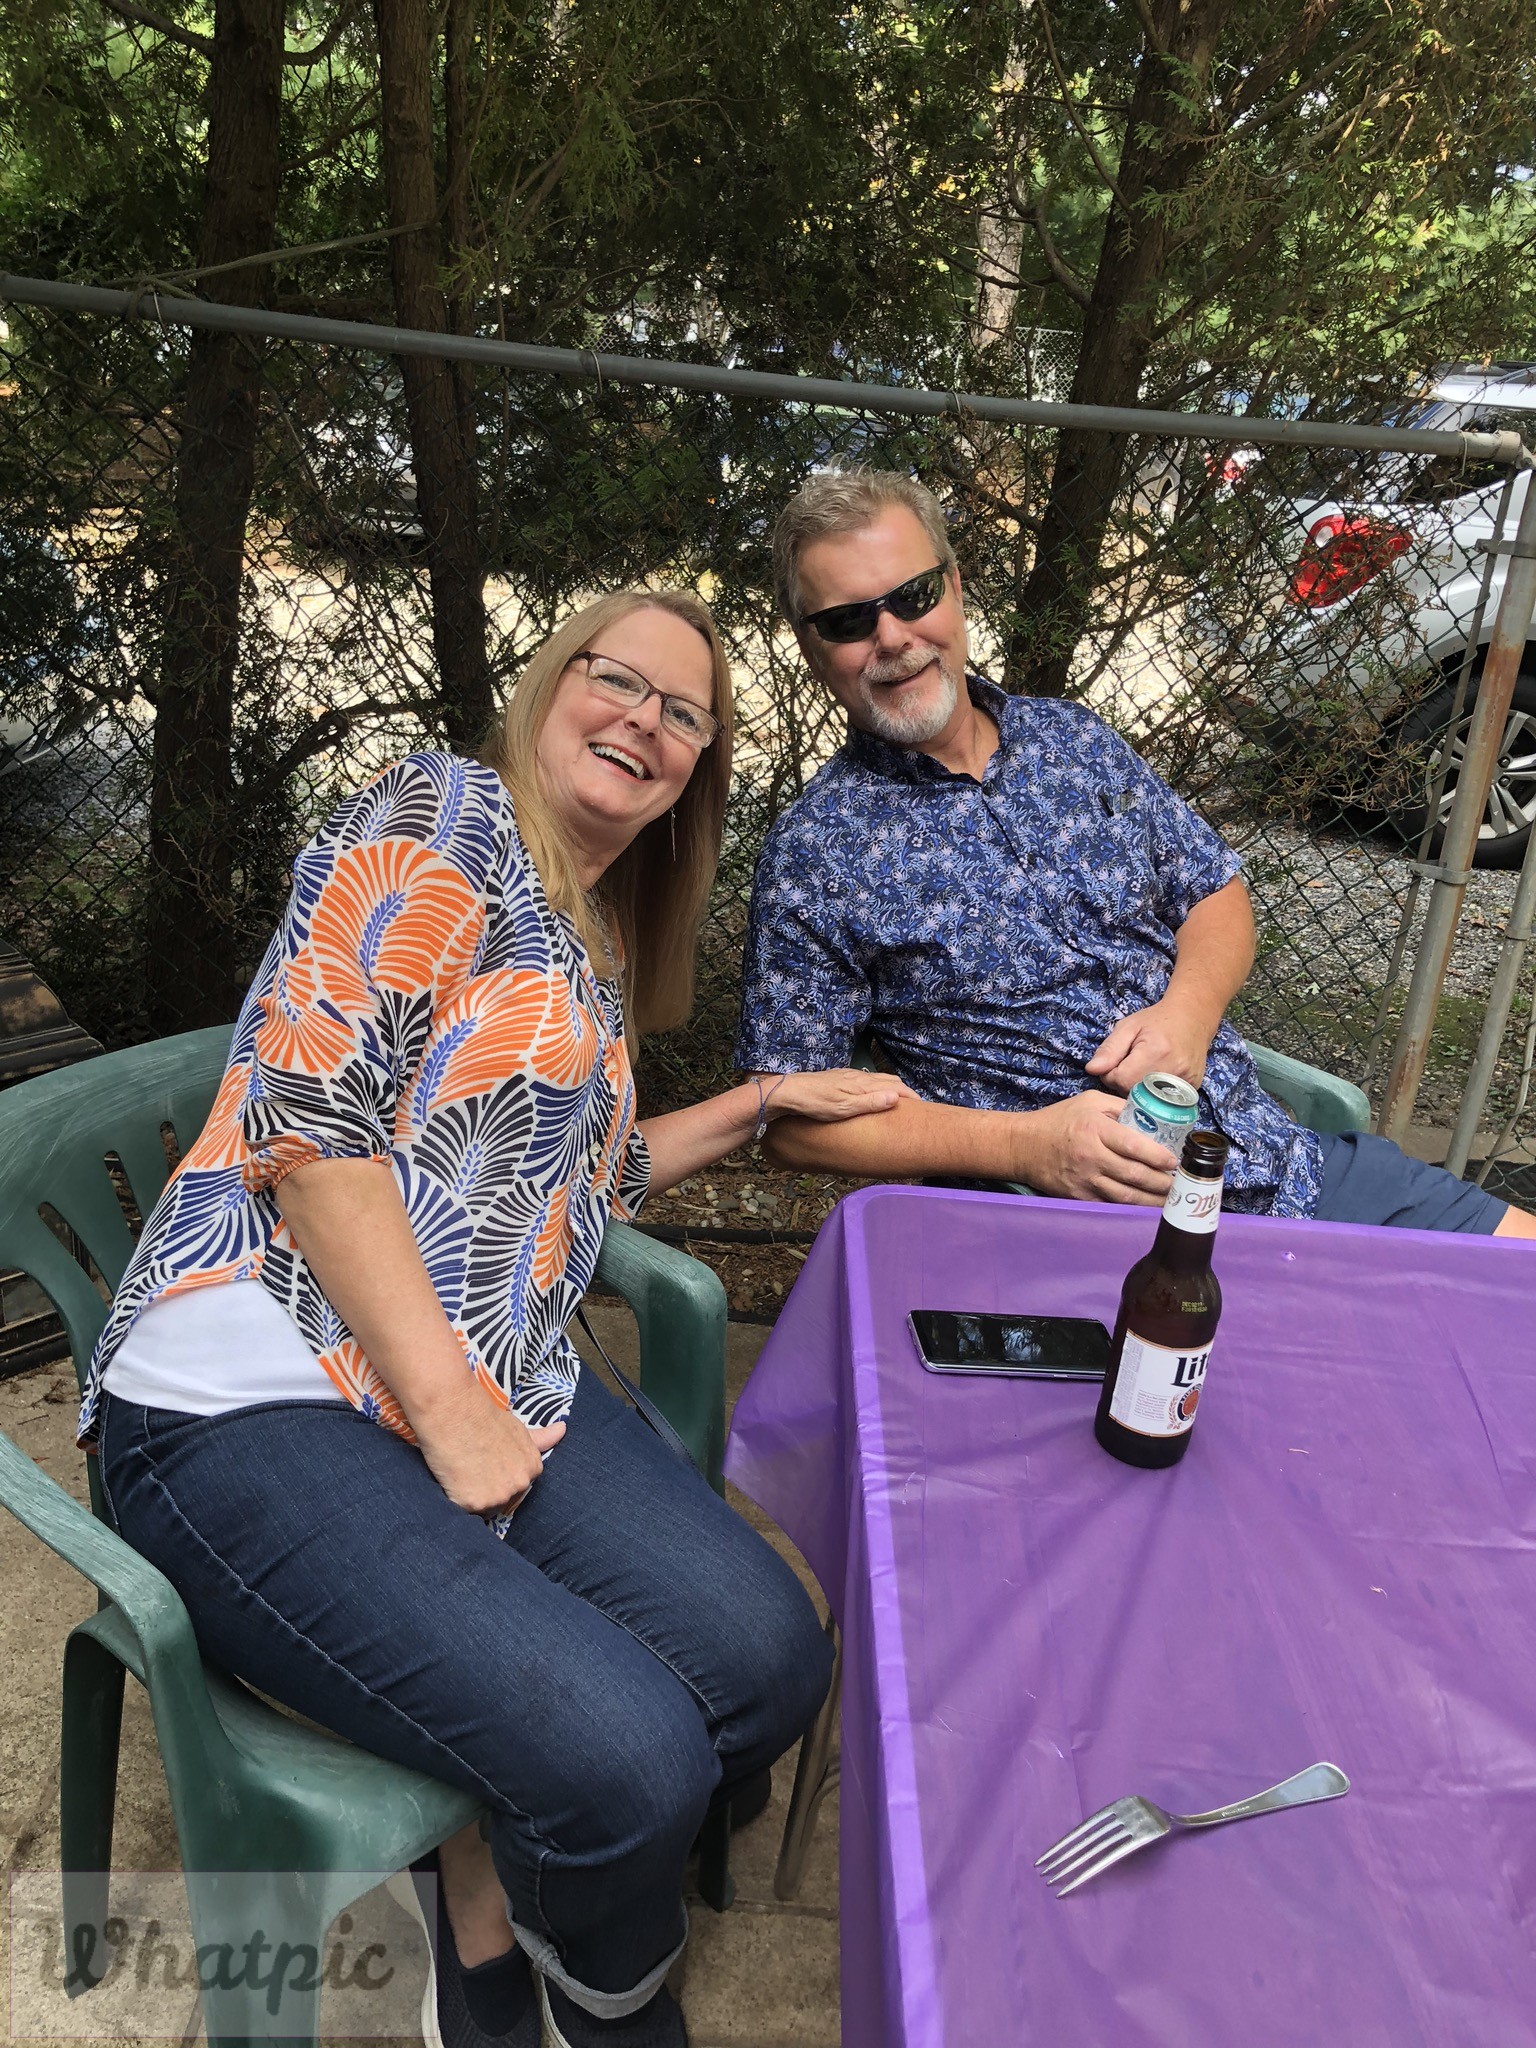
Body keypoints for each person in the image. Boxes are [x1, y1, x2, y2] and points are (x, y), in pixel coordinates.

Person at [84, 590, 913, 2048]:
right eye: (618, 680)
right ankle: (562, 1966)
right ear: (547, 686)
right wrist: (450, 1412)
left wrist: (760, 1102)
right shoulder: (442, 813)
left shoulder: (589, 932)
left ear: (696, 772)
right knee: (628, 1761)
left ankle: (500, 1818)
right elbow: (312, 1130)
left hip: (478, 1368)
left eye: (684, 714)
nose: (644, 722)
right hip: (251, 1387)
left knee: (772, 1660)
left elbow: (564, 1184)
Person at [736, 469, 1536, 1239]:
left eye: (914, 595)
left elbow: (1214, 892)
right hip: (1086, 1229)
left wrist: (1189, 1013)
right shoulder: (815, 854)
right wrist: (1020, 1148)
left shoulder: (1074, 739)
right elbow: (788, 1115)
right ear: (810, 646)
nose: (892, 637)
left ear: (955, 586)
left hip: (1285, 1165)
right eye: (848, 621)